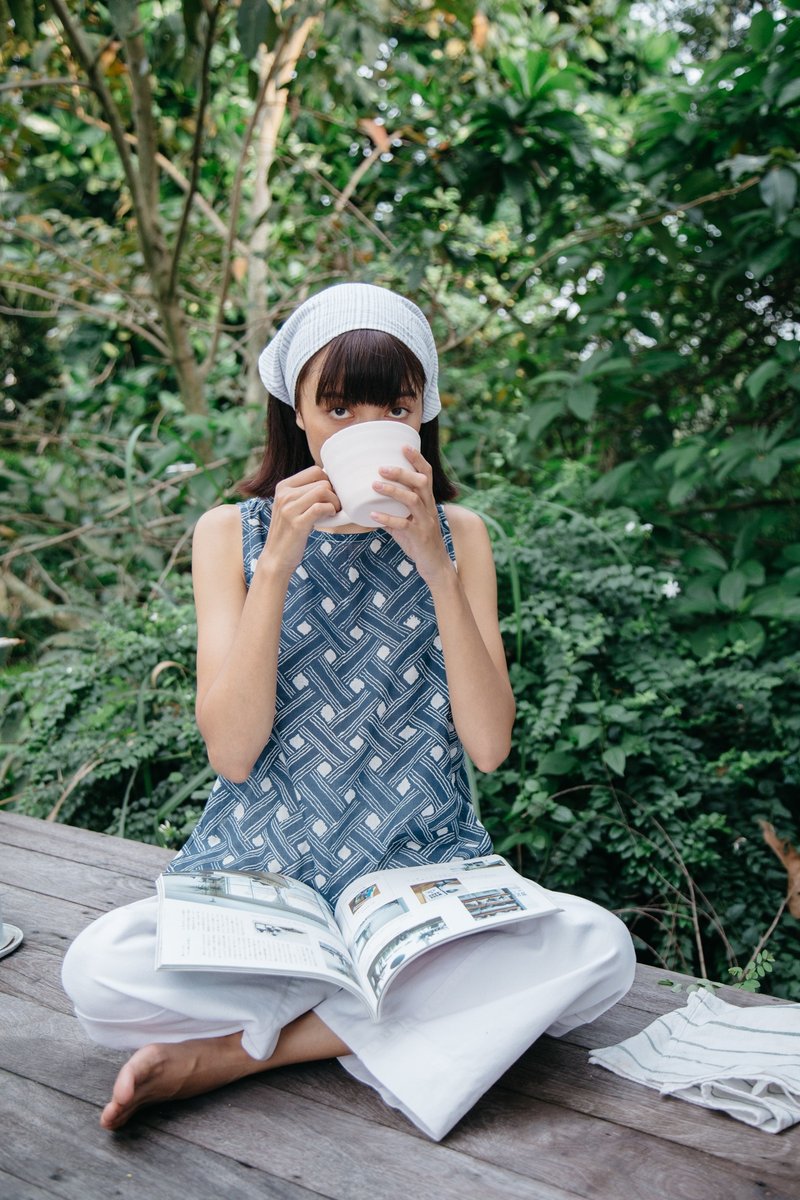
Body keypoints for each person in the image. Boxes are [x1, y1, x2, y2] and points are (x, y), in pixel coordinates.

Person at [61, 282, 635, 1140]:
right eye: (335, 406)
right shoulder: (231, 532)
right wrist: (281, 561)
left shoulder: (462, 533)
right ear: (295, 411)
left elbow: (488, 746)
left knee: (599, 950)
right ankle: (372, 1013)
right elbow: (232, 753)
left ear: (420, 414)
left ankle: (240, 1053)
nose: (363, 425)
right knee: (96, 970)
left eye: (392, 406)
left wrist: (434, 564)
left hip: (422, 885)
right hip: (265, 879)